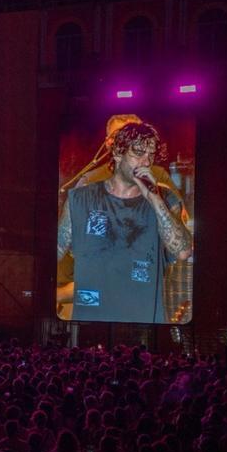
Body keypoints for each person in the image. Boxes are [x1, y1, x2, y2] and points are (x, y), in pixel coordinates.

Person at [57, 122, 191, 322]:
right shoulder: (81, 199)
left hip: (142, 318)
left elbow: (182, 250)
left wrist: (154, 198)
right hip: (92, 318)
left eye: (151, 155)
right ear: (118, 153)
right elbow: (56, 250)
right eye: (138, 153)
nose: (146, 162)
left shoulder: (165, 198)